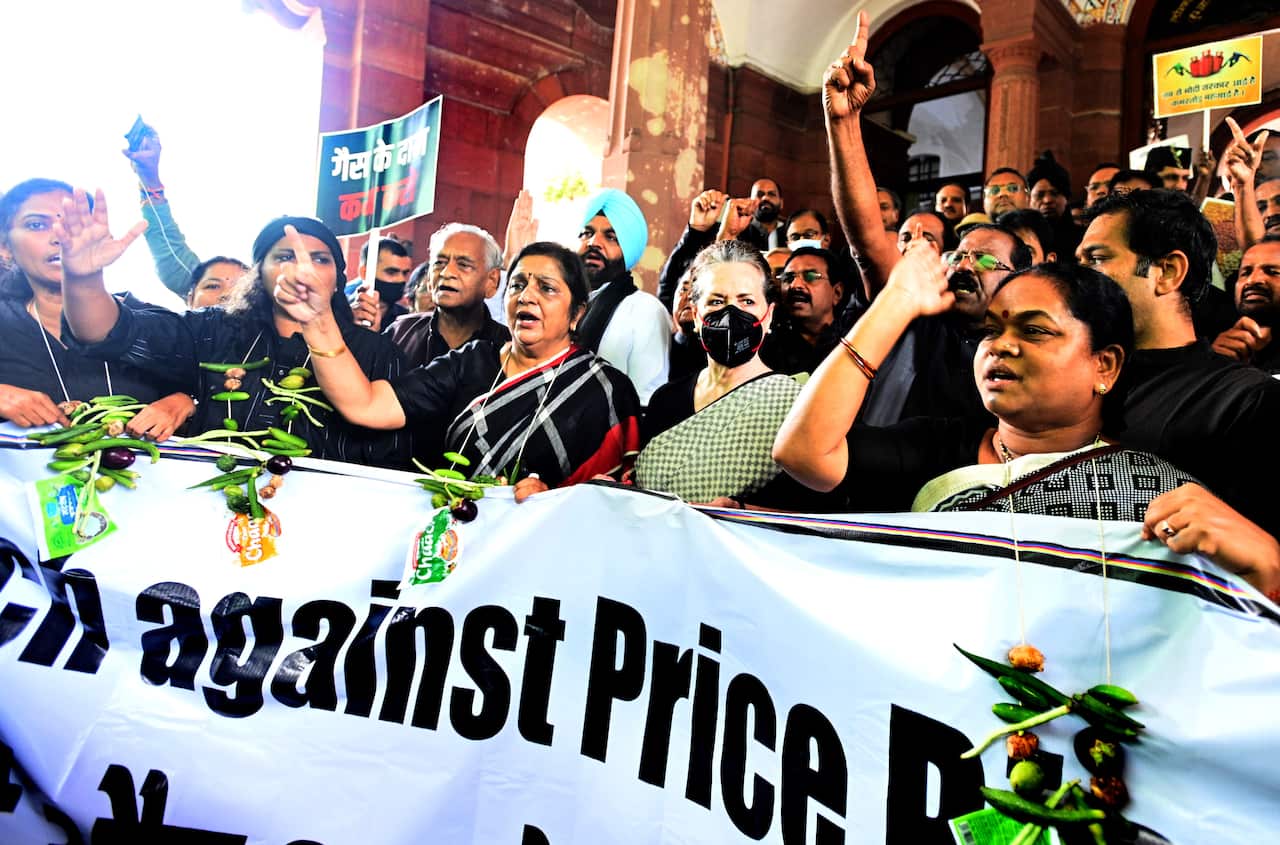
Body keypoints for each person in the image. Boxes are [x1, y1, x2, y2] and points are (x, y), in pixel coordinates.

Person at [772, 251, 1279, 596]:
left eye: (1035, 330)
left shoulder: (1153, 488)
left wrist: (1265, 563)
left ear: (1104, 366)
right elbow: (803, 452)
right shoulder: (936, 445)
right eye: (991, 331)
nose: (1001, 345)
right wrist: (896, 303)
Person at [274, 240, 641, 498]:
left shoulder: (606, 389)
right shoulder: (472, 360)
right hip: (459, 546)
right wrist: (318, 320)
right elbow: (365, 405)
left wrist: (551, 501)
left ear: (577, 313)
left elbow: (616, 500)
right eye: (517, 285)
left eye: (546, 288)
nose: (526, 297)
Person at [60, 203, 408, 466]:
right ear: (259, 274)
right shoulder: (212, 330)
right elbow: (109, 332)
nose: (303, 269)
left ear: (338, 278)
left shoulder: (377, 353)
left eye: (320, 260)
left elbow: (392, 462)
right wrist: (83, 279)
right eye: (285, 256)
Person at [1078, 189, 1280, 567]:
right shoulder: (1064, 386)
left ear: (1168, 271)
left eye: (1097, 259)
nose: (1077, 279)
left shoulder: (1245, 401)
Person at [0, 179, 193, 438]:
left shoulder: (153, 322)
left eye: (75, 224)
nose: (61, 236)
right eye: (36, 225)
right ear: (5, 248)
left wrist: (184, 402)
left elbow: (205, 386)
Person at [636, 240, 810, 508]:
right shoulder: (665, 401)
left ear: (768, 316)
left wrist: (740, 510)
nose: (731, 314)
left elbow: (810, 509)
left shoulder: (795, 405)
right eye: (716, 301)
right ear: (695, 316)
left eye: (747, 301)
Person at [575, 188, 670, 404]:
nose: (594, 243)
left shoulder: (646, 310)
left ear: (629, 250)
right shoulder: (562, 303)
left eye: (611, 237)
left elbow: (645, 400)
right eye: (587, 233)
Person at [382, 223, 509, 368]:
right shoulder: (400, 332)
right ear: (429, 278)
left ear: (492, 281)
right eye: (440, 263)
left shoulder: (509, 348)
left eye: (463, 265)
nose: (446, 273)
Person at [759, 246, 846, 375]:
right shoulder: (765, 351)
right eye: (788, 278)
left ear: (837, 292)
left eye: (810, 276)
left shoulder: (854, 341)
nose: (795, 285)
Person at [1210, 236, 1280, 373]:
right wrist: (1214, 370)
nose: (1252, 280)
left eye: (1272, 272)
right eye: (1245, 273)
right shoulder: (1213, 349)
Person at [348, 236, 414, 332]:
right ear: (364, 272)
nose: (401, 279)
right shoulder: (338, 311)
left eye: (405, 273)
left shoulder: (405, 321)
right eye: (391, 272)